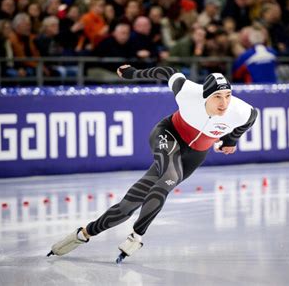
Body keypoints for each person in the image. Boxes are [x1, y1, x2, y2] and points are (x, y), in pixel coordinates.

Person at [47, 65, 258, 262]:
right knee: (169, 178)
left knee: (128, 205)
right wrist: (133, 74)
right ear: (205, 95)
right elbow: (167, 72)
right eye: (217, 96)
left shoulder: (240, 111)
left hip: (195, 155)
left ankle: (83, 234)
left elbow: (251, 118)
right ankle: (137, 236)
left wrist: (231, 140)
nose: (224, 103)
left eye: (228, 95)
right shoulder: (188, 92)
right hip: (169, 134)